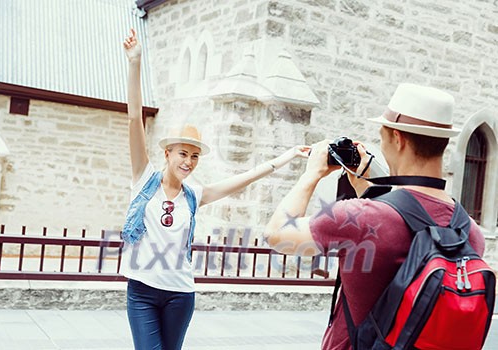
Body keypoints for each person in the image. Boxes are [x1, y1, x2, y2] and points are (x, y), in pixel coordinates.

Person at [121, 28, 309, 350]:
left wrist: (286, 157)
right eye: (183, 154)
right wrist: (135, 62)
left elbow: (246, 177)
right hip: (142, 291)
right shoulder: (144, 179)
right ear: (167, 154)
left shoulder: (194, 195)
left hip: (181, 293)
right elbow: (134, 118)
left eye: (194, 156)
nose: (189, 162)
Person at [263, 83, 486, 349]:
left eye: (381, 137)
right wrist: (365, 178)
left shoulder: (358, 217)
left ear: (397, 138)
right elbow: (404, 214)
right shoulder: (470, 231)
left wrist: (311, 173)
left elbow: (277, 234)